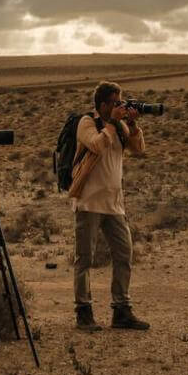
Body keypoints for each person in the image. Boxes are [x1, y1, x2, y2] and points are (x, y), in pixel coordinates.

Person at [67, 81, 149, 331]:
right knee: (85, 259)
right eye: (115, 103)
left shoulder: (120, 125)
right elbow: (97, 145)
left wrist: (132, 124)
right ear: (103, 105)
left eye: (121, 103)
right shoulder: (86, 123)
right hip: (89, 202)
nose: (120, 107)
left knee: (124, 255)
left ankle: (121, 310)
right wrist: (113, 123)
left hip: (115, 204)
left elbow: (139, 150)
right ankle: (84, 312)